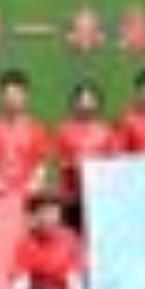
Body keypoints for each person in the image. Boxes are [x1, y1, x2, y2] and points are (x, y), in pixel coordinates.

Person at [0, 69, 52, 199]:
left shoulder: (36, 129)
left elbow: (42, 164)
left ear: (25, 96)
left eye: (17, 94)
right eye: (8, 94)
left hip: (27, 195)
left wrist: (33, 185)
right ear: (1, 97)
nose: (12, 99)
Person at [55, 80, 119, 228]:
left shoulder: (107, 131)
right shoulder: (64, 130)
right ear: (74, 104)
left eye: (90, 100)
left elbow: (113, 164)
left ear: (98, 103)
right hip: (71, 197)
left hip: (99, 197)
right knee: (71, 235)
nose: (86, 105)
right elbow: (57, 162)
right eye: (81, 100)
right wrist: (74, 165)